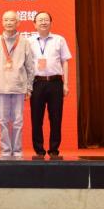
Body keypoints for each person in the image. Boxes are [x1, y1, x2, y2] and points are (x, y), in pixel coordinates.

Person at [0, 10, 34, 159]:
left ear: (18, 23)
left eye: (12, 20)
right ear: (2, 22)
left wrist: (29, 87)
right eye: (6, 20)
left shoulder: (25, 42)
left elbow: (30, 67)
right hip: (0, 87)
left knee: (18, 121)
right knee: (2, 121)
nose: (8, 23)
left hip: (19, 87)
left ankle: (17, 150)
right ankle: (6, 150)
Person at [29, 11, 71, 159]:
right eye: (40, 20)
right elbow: (26, 64)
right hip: (37, 83)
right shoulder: (29, 41)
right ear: (34, 24)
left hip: (55, 83)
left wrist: (66, 84)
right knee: (36, 118)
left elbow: (65, 62)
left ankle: (54, 150)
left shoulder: (59, 40)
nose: (43, 22)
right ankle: (39, 150)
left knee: (56, 117)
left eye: (46, 20)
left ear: (51, 23)